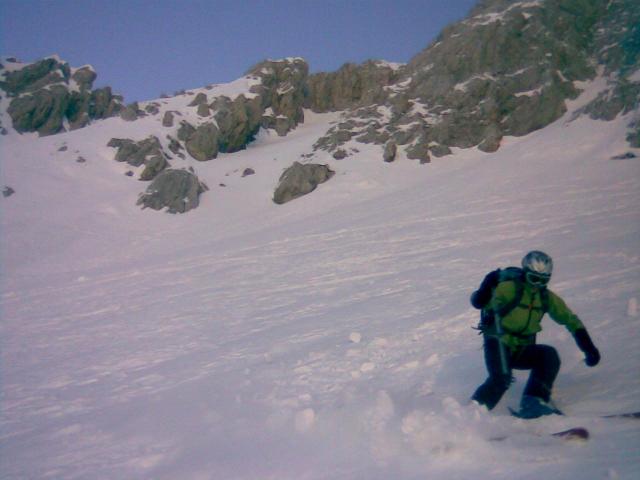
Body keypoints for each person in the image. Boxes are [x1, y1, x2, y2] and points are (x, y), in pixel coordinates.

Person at [470, 251, 601, 418]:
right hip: (498, 342)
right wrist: (486, 287)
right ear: (525, 274)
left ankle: (534, 402)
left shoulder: (545, 298)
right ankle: (470, 414)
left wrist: (589, 348)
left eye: (543, 281)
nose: (537, 285)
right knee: (502, 379)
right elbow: (478, 302)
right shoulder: (509, 289)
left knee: (548, 355)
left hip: (521, 347)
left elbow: (570, 320)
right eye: (533, 278)